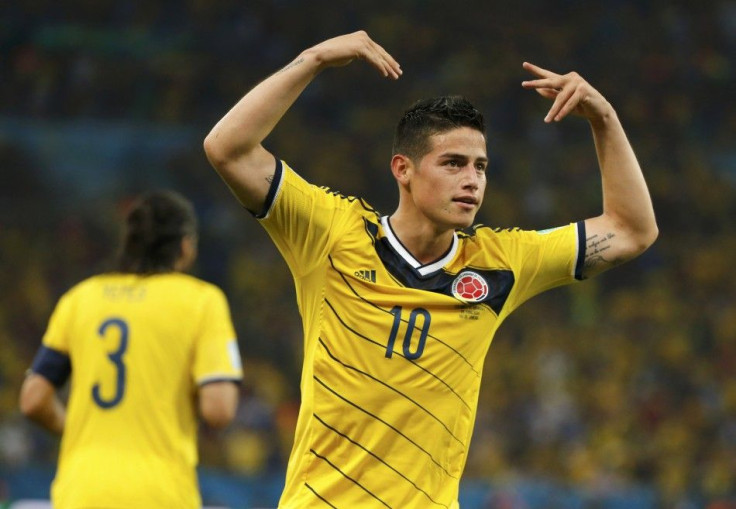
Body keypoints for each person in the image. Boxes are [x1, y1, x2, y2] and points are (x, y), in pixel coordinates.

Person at [203, 31, 657, 508]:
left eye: (481, 167)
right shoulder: (332, 233)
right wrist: (311, 60)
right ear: (403, 169)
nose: (472, 181)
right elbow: (226, 148)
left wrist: (604, 120)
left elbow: (631, 231)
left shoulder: (502, 264)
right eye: (453, 163)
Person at [19, 190, 243, 509]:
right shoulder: (202, 301)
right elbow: (218, 409)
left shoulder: (80, 299)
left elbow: (33, 398)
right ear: (185, 246)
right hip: (160, 493)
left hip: (80, 490)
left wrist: (77, 430)